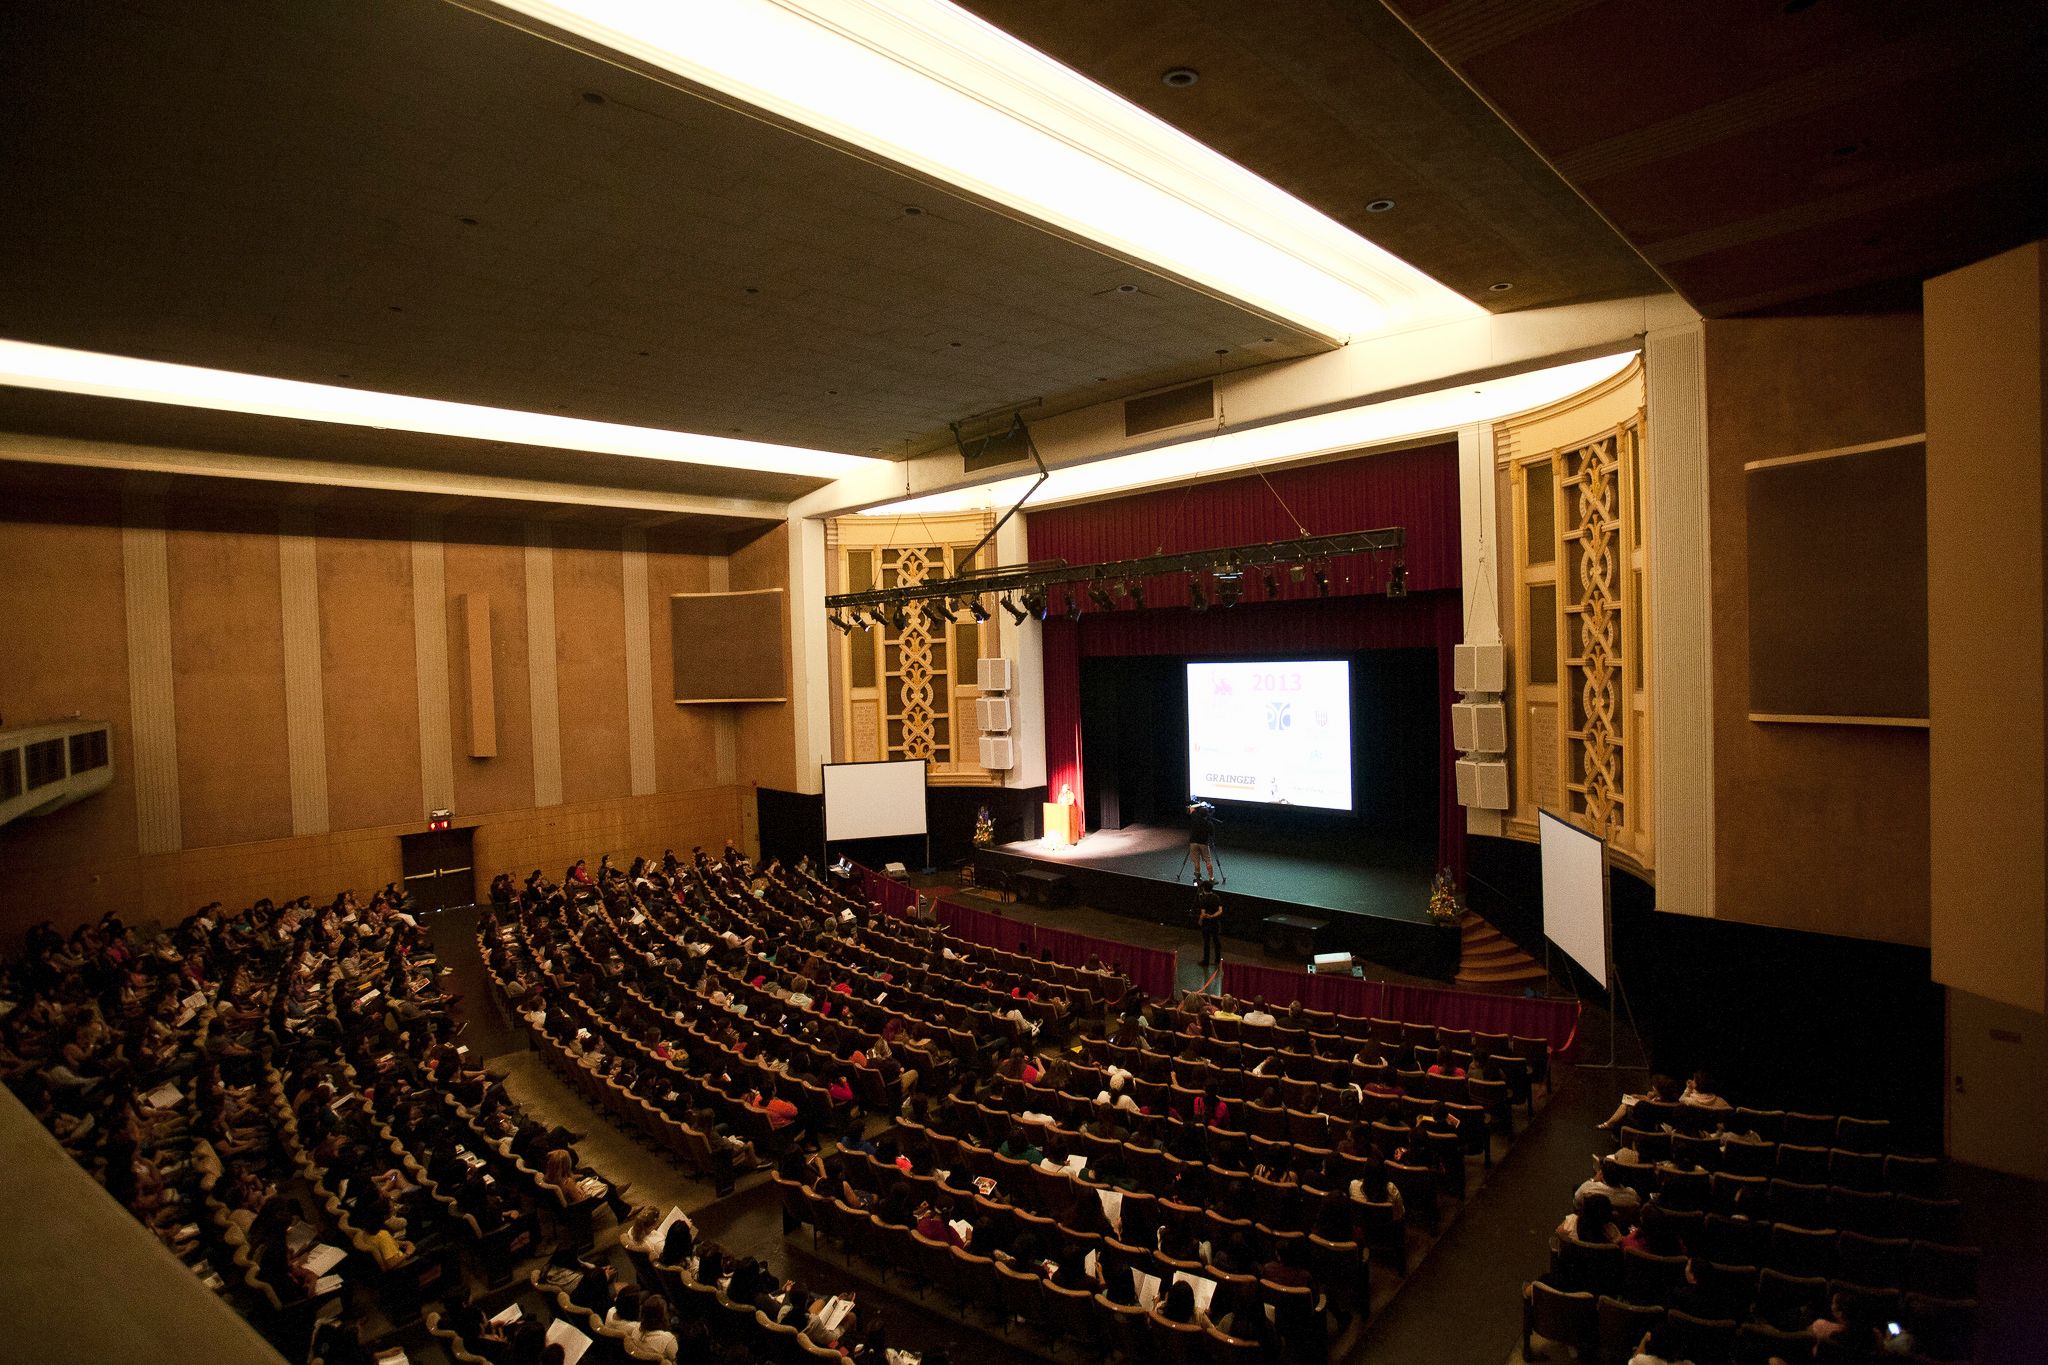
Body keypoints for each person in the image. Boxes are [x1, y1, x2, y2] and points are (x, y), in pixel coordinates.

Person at [1186, 800, 1218, 883]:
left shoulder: (1194, 818)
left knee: (1196, 861)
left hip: (1193, 843)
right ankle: (1211, 878)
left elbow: (1192, 807)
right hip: (1204, 844)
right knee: (1208, 860)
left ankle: (1198, 878)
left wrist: (1200, 804)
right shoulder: (1209, 823)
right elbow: (1212, 835)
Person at [1195, 879, 1224, 968]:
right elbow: (1220, 911)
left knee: (1206, 942)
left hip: (1206, 924)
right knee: (1216, 941)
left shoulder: (1203, 899)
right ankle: (1217, 960)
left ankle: (1206, 961)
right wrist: (1213, 916)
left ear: (1203, 888)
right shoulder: (1216, 897)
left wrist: (1200, 920)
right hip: (1215, 923)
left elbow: (1203, 913)